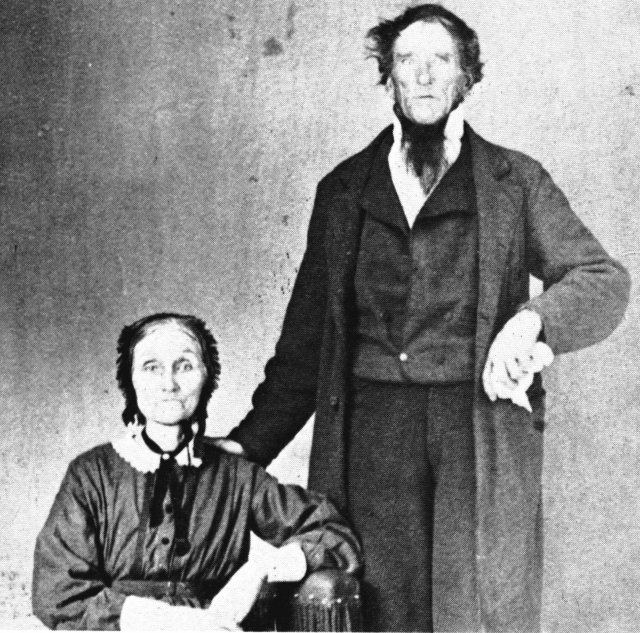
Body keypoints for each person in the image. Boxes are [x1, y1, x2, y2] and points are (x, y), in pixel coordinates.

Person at [220, 4, 631, 632]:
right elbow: (305, 348)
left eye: (442, 59)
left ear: (467, 77)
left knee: (476, 609)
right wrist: (246, 447)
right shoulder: (344, 190)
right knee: (383, 606)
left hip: (475, 425)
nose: (424, 74)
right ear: (388, 76)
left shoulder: (514, 181)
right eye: (407, 60)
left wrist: (531, 322)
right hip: (372, 434)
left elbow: (602, 279)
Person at [32, 313, 361, 630]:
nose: (169, 384)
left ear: (208, 377)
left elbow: (333, 532)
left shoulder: (237, 475)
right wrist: (179, 623)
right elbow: (58, 592)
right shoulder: (91, 474)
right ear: (129, 379)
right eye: (151, 367)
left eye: (185, 366)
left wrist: (261, 568)